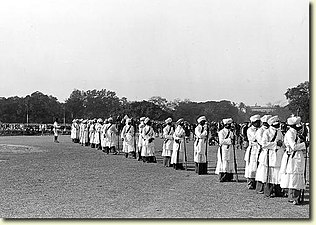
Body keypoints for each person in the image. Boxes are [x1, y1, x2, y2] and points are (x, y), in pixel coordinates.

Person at [279, 116, 309, 205]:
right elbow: (294, 146)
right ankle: (293, 197)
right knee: (293, 177)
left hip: (297, 156)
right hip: (293, 157)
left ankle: (296, 196)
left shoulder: (295, 133)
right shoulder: (290, 133)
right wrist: (304, 144)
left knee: (297, 177)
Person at [257, 115, 284, 197]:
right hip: (270, 155)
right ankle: (268, 191)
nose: (277, 126)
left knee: (277, 173)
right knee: (269, 174)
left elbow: (282, 141)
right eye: (275, 124)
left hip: (278, 154)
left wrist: (281, 144)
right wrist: (275, 144)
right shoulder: (267, 132)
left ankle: (278, 191)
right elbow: (264, 144)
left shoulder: (279, 132)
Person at [255, 115, 272, 193]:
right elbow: (262, 143)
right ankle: (260, 187)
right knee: (262, 170)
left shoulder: (271, 130)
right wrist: (274, 144)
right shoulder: (260, 131)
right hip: (263, 151)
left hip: (270, 152)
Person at [244, 114, 261, 189]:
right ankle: (250, 182)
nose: (258, 123)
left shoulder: (260, 129)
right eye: (256, 122)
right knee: (251, 167)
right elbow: (255, 138)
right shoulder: (250, 130)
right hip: (253, 149)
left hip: (259, 149)